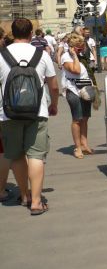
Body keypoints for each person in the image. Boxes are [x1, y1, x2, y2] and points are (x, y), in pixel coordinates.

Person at [0, 18, 58, 215]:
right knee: (36, 155)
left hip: (8, 113)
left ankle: (24, 195)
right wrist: (54, 105)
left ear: (13, 34)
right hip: (37, 111)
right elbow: (54, 85)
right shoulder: (41, 55)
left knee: (16, 155)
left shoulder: (1, 55)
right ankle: (36, 202)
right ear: (31, 34)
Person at [61, 33, 94, 159]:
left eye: (82, 47)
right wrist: (74, 56)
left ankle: (84, 144)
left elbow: (90, 70)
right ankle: (77, 147)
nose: (82, 49)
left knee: (85, 118)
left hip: (85, 88)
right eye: (79, 48)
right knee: (77, 119)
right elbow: (76, 70)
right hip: (72, 90)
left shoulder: (82, 55)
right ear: (72, 47)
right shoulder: (66, 57)